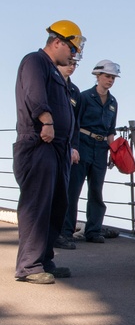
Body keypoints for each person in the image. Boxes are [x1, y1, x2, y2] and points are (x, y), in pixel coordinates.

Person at [13, 20, 86, 283]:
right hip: (39, 143)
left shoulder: (56, 73)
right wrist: (46, 121)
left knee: (57, 204)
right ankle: (29, 266)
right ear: (57, 42)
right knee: (37, 204)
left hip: (58, 148)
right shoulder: (35, 61)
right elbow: (34, 94)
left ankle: (44, 259)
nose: (73, 55)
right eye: (71, 49)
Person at [61, 59, 120, 246]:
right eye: (107, 76)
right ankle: (66, 230)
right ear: (98, 76)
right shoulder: (84, 97)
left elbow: (111, 129)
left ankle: (93, 230)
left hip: (101, 149)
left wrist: (115, 152)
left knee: (96, 191)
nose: (110, 80)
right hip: (83, 144)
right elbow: (75, 124)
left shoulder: (112, 102)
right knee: (74, 190)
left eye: (113, 77)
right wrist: (73, 147)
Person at [53, 55, 82, 250]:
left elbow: (76, 123)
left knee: (65, 192)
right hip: (48, 144)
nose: (71, 67)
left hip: (66, 146)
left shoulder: (74, 91)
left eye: (74, 64)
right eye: (68, 63)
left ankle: (61, 233)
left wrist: (74, 147)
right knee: (47, 191)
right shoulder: (51, 84)